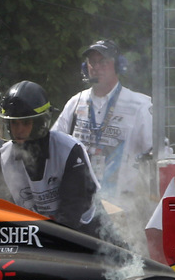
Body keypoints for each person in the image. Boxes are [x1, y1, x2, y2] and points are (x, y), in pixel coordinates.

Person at [54, 39, 154, 216]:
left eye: (103, 61)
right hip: (80, 205)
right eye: (92, 62)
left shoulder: (140, 105)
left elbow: (158, 155)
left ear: (119, 66)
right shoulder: (75, 103)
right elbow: (54, 146)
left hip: (123, 207)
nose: (96, 67)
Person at [0, 79, 105, 236]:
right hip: (35, 237)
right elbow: (6, 212)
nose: (19, 130)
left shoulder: (68, 151)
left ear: (40, 123)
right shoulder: (4, 160)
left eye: (25, 123)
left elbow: (72, 213)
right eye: (14, 123)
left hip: (86, 232)